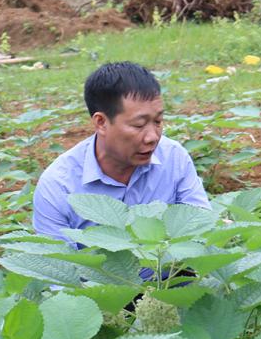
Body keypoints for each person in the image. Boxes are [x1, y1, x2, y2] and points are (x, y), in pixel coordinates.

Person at [33, 61, 210, 245]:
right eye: (139, 125)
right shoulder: (58, 187)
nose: (152, 137)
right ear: (101, 123)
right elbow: (59, 260)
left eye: (158, 122)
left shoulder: (173, 158)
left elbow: (200, 226)